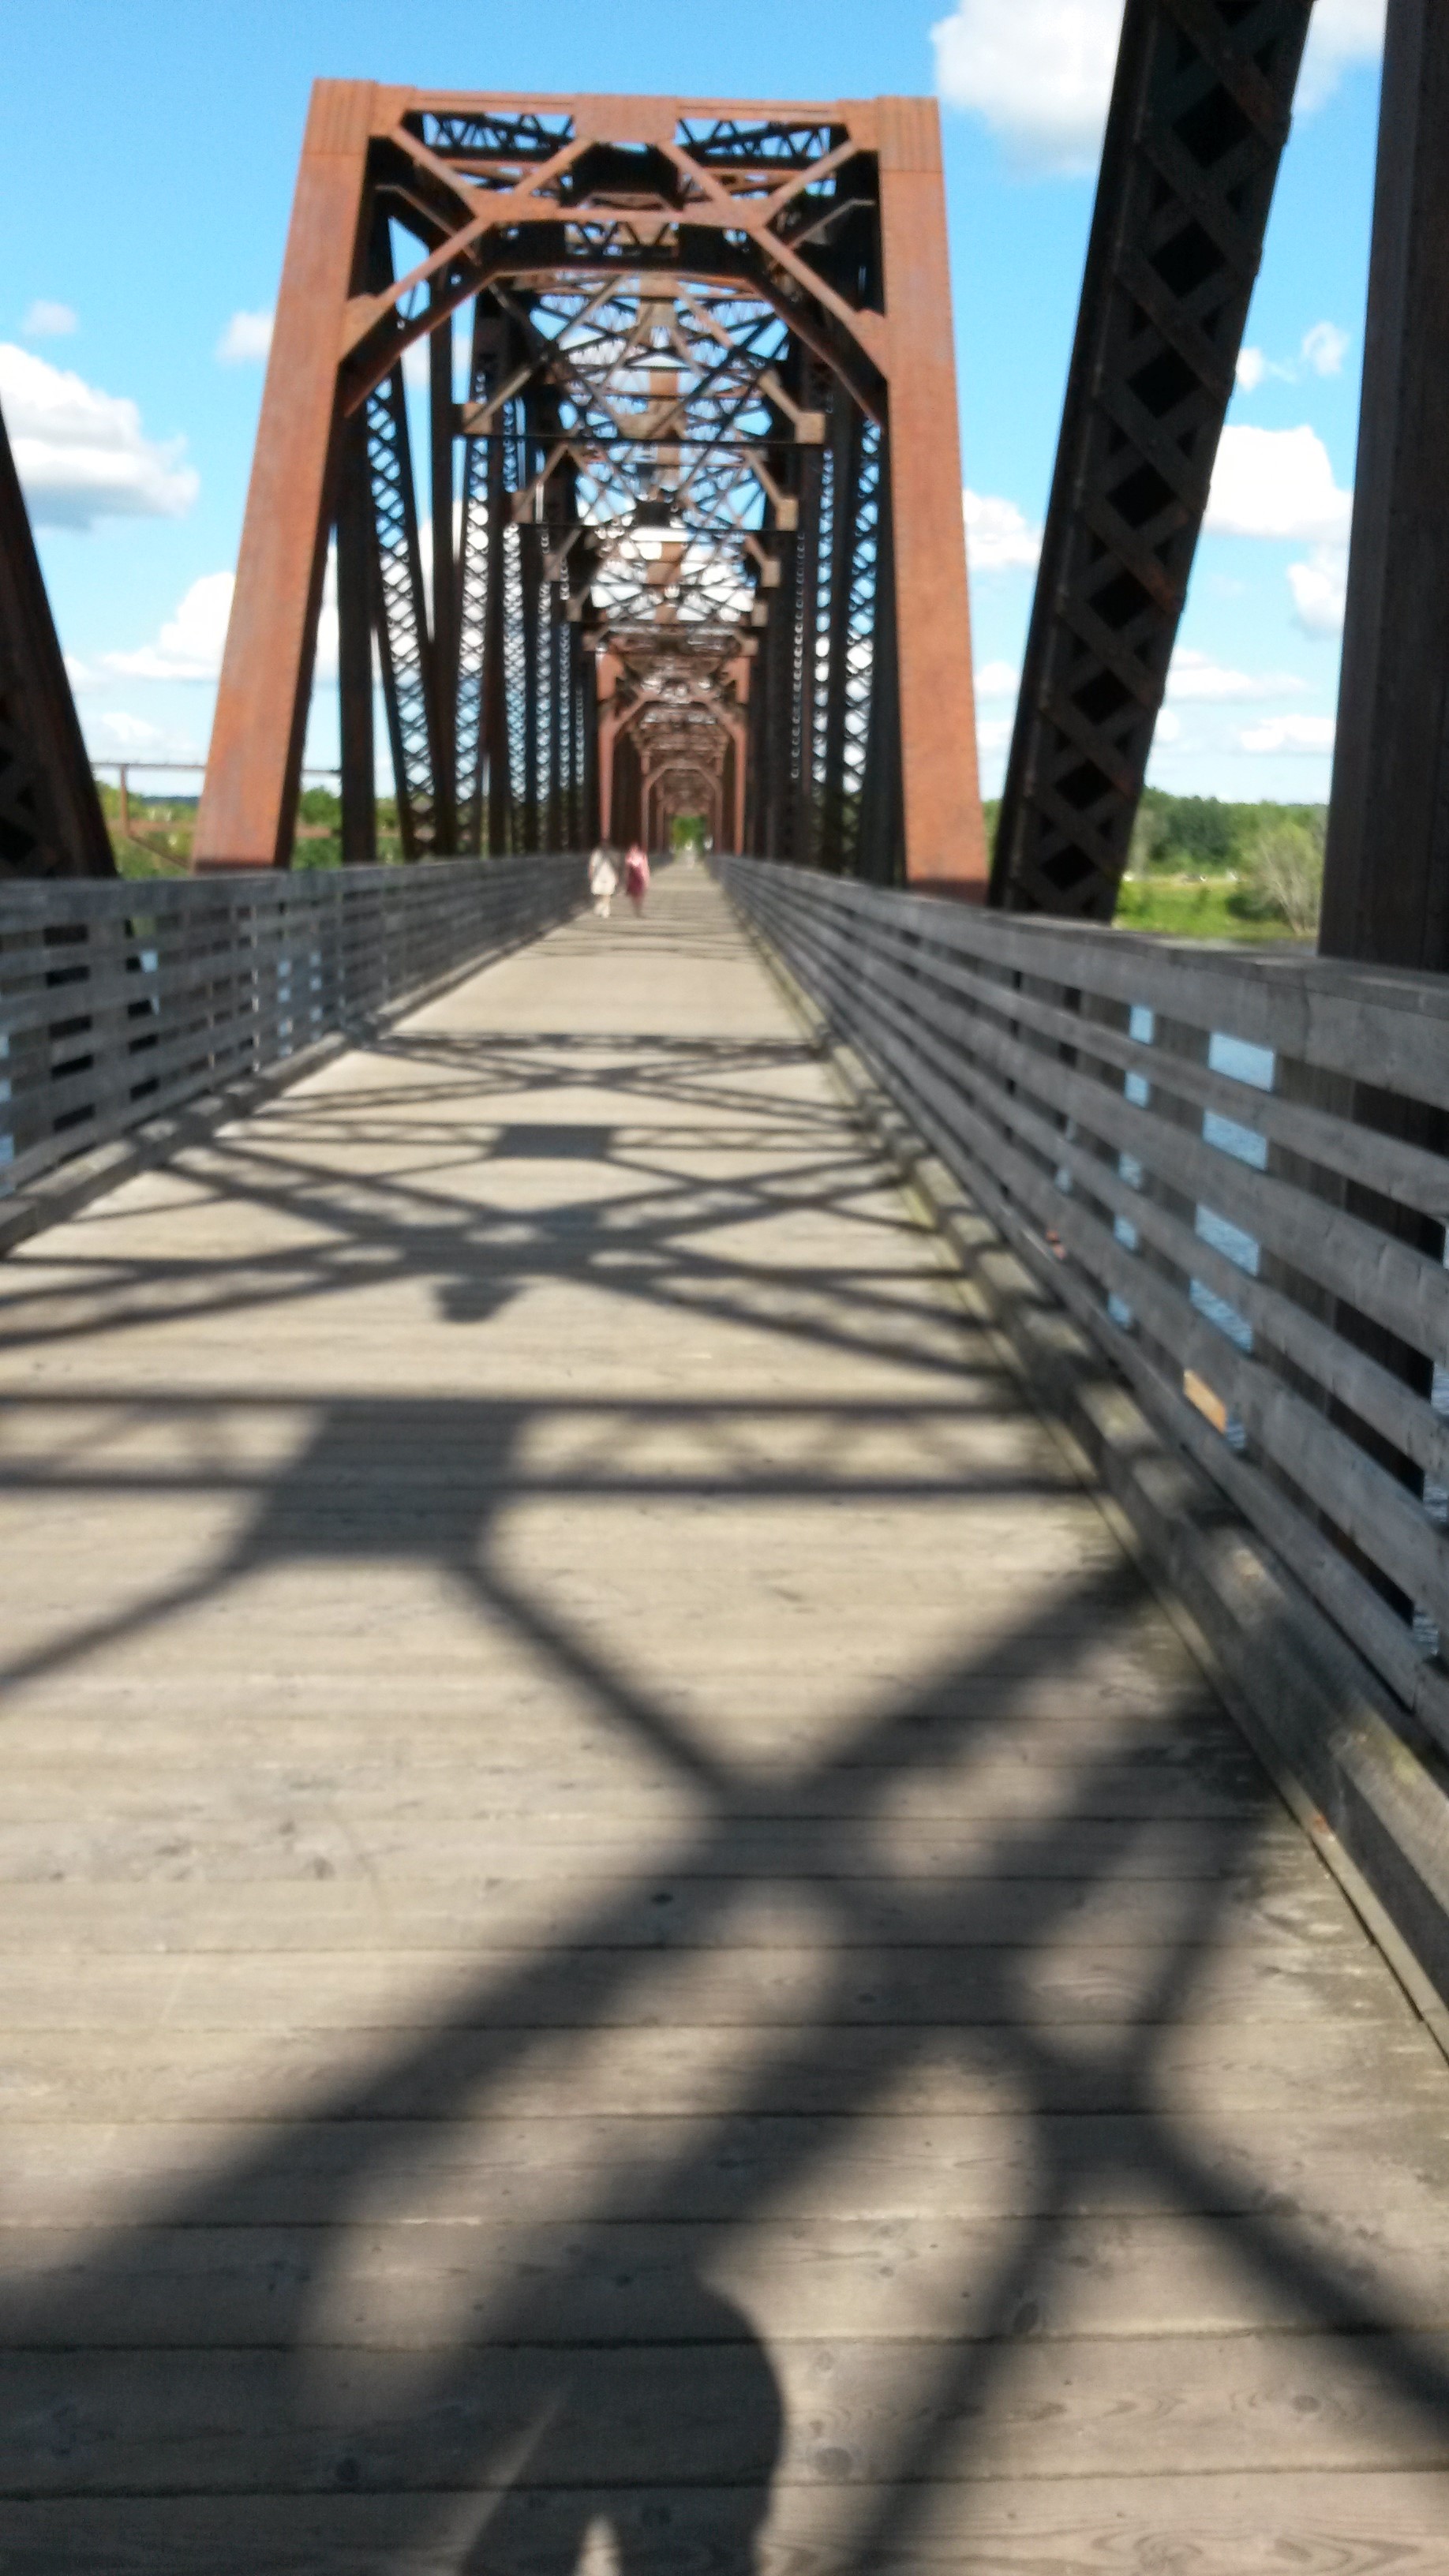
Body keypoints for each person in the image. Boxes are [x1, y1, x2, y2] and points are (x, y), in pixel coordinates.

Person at [588, 844, 618, 919]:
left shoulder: (612, 854)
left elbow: (616, 865)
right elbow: (592, 865)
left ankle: (606, 911)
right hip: (598, 876)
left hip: (609, 876)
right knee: (597, 893)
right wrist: (591, 874)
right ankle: (600, 905)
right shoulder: (596, 854)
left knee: (607, 893)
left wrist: (617, 875)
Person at [623, 843, 650, 913]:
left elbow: (645, 868)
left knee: (640, 895)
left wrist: (646, 879)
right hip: (632, 879)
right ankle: (636, 908)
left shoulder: (642, 857)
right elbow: (627, 870)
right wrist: (626, 879)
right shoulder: (628, 858)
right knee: (633, 895)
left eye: (635, 849)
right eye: (632, 849)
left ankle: (639, 908)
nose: (633, 850)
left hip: (640, 878)